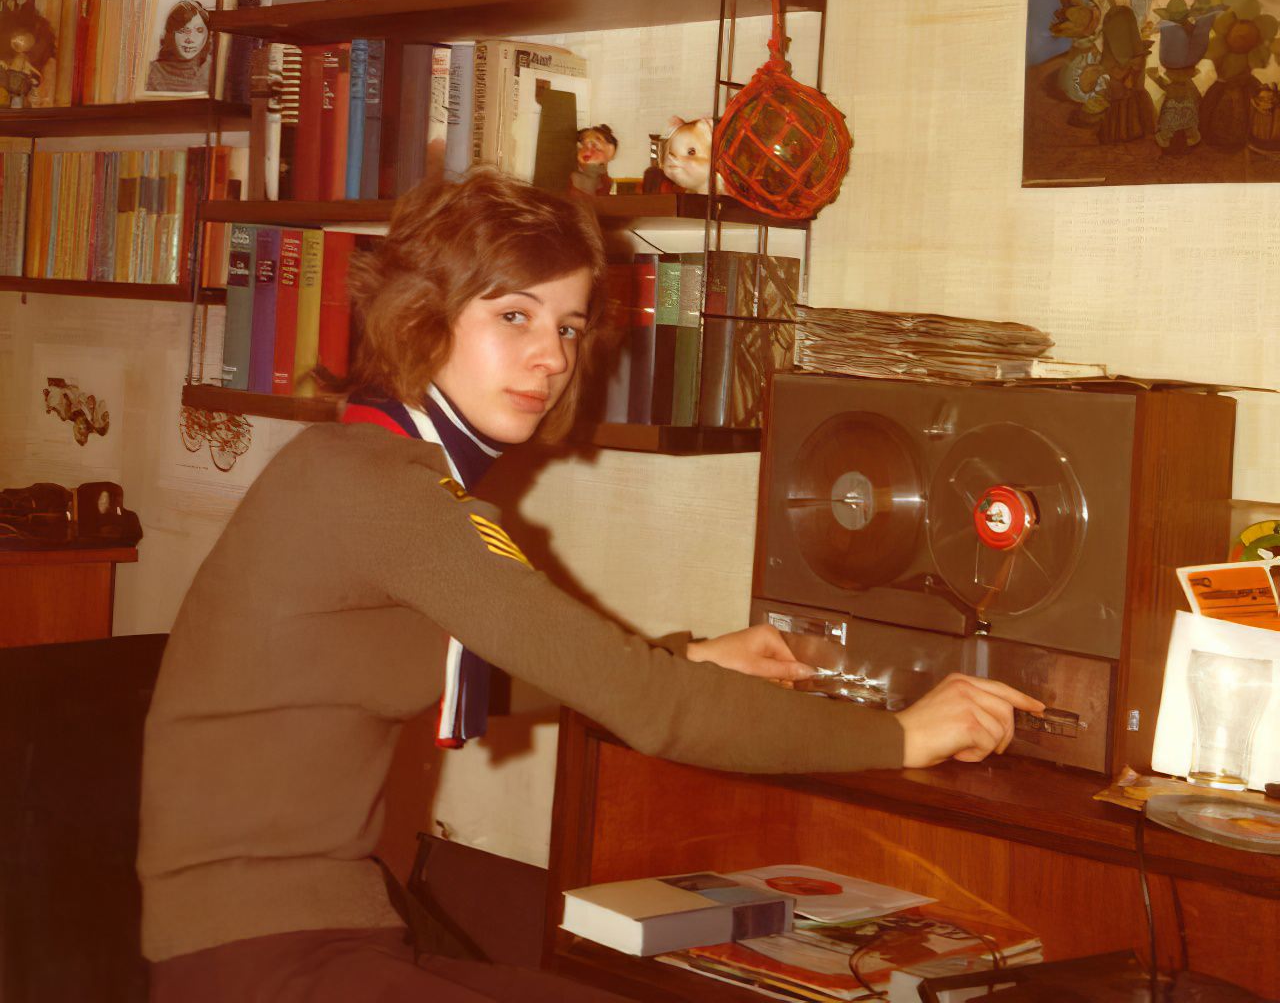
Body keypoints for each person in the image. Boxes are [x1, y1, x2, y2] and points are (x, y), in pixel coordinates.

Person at [138, 171, 1041, 1001]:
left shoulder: (359, 462)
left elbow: (469, 670)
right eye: (515, 318)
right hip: (258, 963)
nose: (554, 357)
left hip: (298, 937)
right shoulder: (380, 491)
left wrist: (690, 654)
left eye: (568, 327)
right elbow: (649, 709)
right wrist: (901, 735)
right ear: (422, 316)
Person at [145, 0, 212, 94]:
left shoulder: (215, 70)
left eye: (199, 30)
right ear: (171, 34)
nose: (190, 39)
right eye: (182, 30)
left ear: (207, 35)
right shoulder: (149, 73)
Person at [569, 123, 618, 196]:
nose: (587, 151)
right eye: (582, 145)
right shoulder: (567, 177)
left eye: (597, 148)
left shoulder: (605, 182)